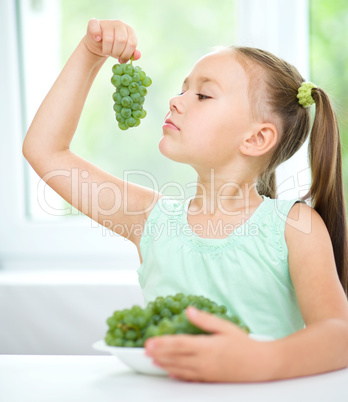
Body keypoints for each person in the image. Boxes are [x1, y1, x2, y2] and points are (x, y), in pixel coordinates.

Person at [22, 18, 348, 382]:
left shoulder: (294, 227)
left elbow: (339, 335)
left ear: (257, 139)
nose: (176, 101)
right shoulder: (152, 220)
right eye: (182, 90)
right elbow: (46, 151)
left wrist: (261, 361)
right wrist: (89, 54)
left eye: (203, 95)